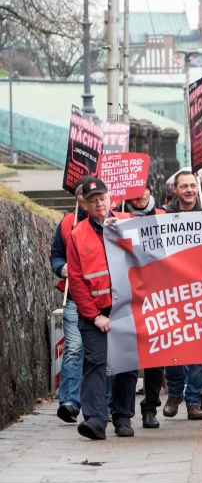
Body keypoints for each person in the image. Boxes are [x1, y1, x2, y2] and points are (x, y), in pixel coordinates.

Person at [66, 177, 139, 439]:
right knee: (96, 362)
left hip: (126, 309)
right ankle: (96, 420)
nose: (99, 204)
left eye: (103, 198)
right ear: (84, 204)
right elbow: (75, 281)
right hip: (94, 312)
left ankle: (122, 418)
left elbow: (145, 257)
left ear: (111, 199)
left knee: (127, 364)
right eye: (93, 200)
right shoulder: (77, 234)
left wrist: (120, 232)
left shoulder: (128, 222)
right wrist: (94, 316)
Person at [160, 170, 202, 420]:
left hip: (200, 293)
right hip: (171, 292)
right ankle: (174, 393)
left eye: (193, 186)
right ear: (175, 190)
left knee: (199, 351)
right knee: (174, 349)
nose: (189, 190)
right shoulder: (163, 217)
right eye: (184, 186)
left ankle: (193, 401)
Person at [124, 183, 169, 429]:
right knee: (128, 356)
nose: (140, 195)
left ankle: (150, 408)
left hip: (157, 295)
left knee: (155, 356)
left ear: (151, 193)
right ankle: (122, 410)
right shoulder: (118, 217)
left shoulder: (163, 216)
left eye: (144, 190)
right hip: (129, 294)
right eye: (135, 191)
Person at [50, 182, 88, 423]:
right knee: (74, 349)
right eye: (81, 193)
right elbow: (55, 254)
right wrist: (60, 268)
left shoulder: (111, 219)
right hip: (74, 297)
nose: (86, 197)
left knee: (100, 355)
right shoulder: (66, 222)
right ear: (77, 196)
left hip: (104, 301)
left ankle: (102, 402)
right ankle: (69, 403)